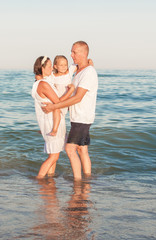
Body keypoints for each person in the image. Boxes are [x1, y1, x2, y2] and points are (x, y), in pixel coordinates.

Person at [42, 41, 98, 180]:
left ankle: (78, 182)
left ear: (84, 53)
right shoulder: (80, 71)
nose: (71, 55)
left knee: (70, 149)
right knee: (82, 149)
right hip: (78, 117)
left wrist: (54, 107)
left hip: (82, 117)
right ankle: (87, 179)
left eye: (74, 52)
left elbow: (78, 97)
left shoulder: (88, 72)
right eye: (71, 52)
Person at [32, 56, 75, 178]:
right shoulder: (44, 84)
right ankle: (39, 179)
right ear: (42, 68)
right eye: (50, 66)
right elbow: (58, 103)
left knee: (53, 155)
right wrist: (70, 92)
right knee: (54, 156)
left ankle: (50, 179)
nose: (52, 69)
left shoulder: (38, 83)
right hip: (52, 122)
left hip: (50, 121)